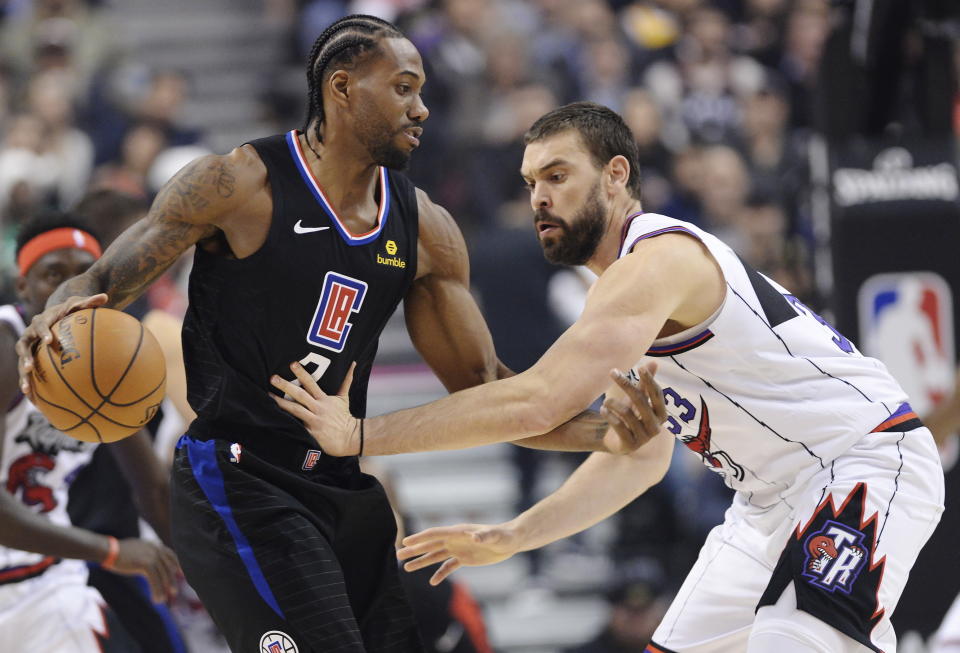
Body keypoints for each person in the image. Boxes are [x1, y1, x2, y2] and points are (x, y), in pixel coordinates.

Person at [15, 17, 664, 653]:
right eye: (404, 87)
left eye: (422, 91)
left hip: (337, 482)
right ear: (343, 88)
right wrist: (56, 316)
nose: (423, 109)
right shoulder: (241, 183)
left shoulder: (425, 230)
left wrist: (599, 429)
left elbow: (486, 390)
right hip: (235, 478)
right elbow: (100, 279)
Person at [286, 102, 945, 653]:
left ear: (615, 175)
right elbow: (638, 456)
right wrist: (513, 535)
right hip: (768, 500)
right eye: (529, 182)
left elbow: (537, 402)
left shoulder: (656, 263)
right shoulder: (615, 303)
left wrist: (360, 432)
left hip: (860, 457)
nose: (540, 196)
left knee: (795, 642)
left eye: (557, 174)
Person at [0, 212, 180, 652]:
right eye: (52, 275)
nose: (67, 291)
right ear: (23, 286)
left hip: (49, 582)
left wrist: (212, 571)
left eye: (82, 275)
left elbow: (153, 489)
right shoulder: (5, 348)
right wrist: (111, 551)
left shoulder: (99, 360)